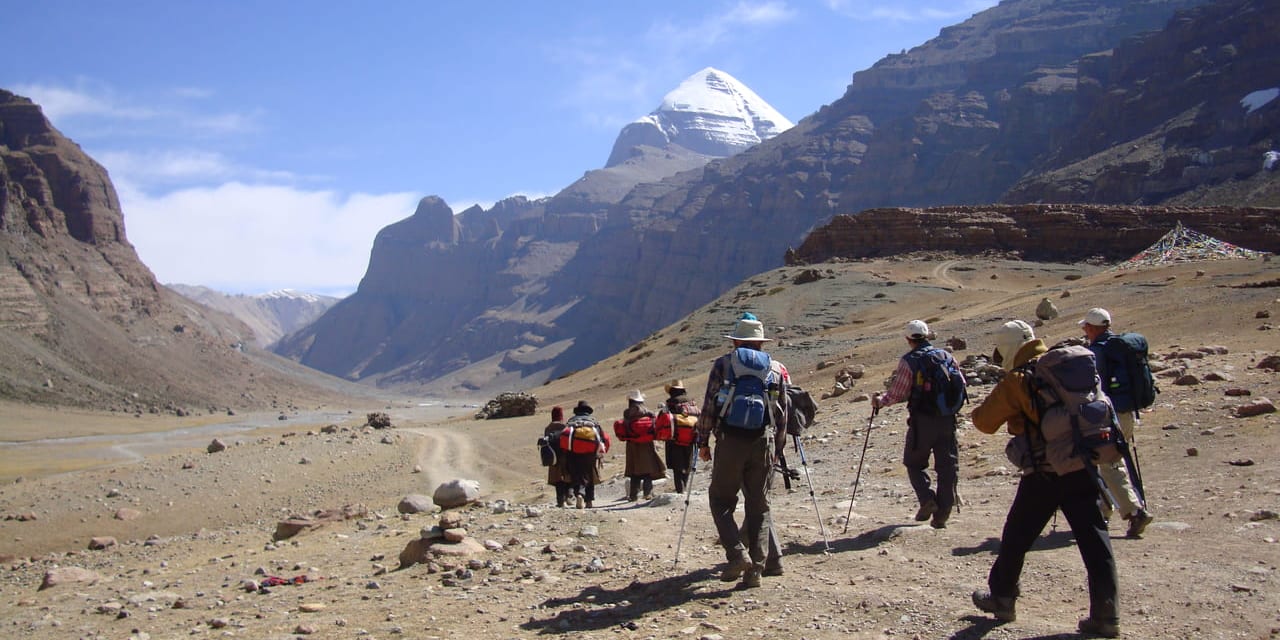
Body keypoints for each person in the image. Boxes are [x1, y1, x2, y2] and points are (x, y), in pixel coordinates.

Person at [970, 320, 1120, 638]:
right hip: (1082, 463)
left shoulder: (1020, 378)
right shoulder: (1064, 366)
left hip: (1045, 472)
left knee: (1015, 537)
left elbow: (984, 422)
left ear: (1009, 347)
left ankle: (1002, 598)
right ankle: (1106, 614)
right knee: (1095, 540)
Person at [697, 312, 790, 588]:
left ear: (736, 341)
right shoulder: (775, 368)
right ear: (761, 342)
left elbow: (709, 406)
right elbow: (782, 412)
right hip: (763, 441)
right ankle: (757, 570)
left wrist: (702, 442)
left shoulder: (723, 365)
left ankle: (737, 554)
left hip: (730, 441)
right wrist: (777, 449)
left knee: (720, 500)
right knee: (759, 506)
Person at [872, 319, 960, 529]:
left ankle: (927, 499)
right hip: (947, 418)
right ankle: (943, 513)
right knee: (947, 466)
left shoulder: (909, 361)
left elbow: (898, 393)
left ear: (908, 339)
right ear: (927, 335)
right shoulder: (946, 356)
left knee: (913, 463)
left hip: (922, 420)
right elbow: (960, 383)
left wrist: (880, 402)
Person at [1080, 307, 1153, 538]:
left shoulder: (1098, 352)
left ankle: (1134, 512)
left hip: (1108, 416)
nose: (1085, 332)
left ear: (1092, 328)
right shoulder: (1121, 348)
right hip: (1127, 412)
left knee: (1109, 464)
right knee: (1110, 461)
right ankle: (1102, 509)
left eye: (1086, 328)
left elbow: (1092, 385)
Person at [562, 400, 610, 509]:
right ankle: (589, 501)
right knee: (589, 474)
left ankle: (579, 494)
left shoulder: (571, 421)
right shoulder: (593, 422)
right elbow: (602, 438)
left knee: (577, 474)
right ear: (588, 411)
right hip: (590, 453)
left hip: (573, 452)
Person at [621, 390, 666, 501]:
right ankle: (647, 493)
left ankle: (633, 496)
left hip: (632, 444)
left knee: (634, 471)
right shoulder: (647, 412)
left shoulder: (627, 413)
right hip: (647, 443)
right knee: (648, 470)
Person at [661, 380, 700, 494]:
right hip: (690, 438)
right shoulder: (691, 402)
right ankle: (685, 485)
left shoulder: (670, 403)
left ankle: (680, 489)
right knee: (688, 463)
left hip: (674, 439)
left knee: (677, 466)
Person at [543, 406, 571, 507]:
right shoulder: (566, 427)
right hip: (565, 455)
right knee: (567, 476)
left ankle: (560, 501)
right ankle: (568, 496)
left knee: (557, 479)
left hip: (553, 456)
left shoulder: (548, 428)